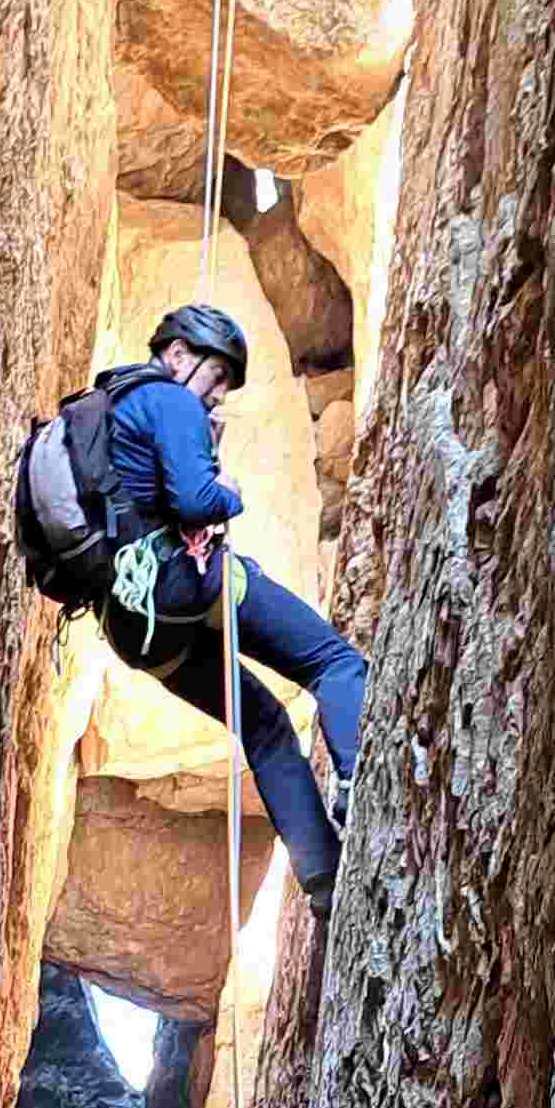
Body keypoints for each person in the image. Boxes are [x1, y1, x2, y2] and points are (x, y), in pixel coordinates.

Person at [103, 304, 367, 918]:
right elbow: (197, 501)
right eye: (216, 375)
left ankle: (323, 878)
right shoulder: (170, 403)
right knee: (332, 661)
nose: (217, 394)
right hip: (183, 586)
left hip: (136, 630)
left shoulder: (116, 410)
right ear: (175, 355)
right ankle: (359, 781)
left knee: (264, 727)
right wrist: (231, 494)